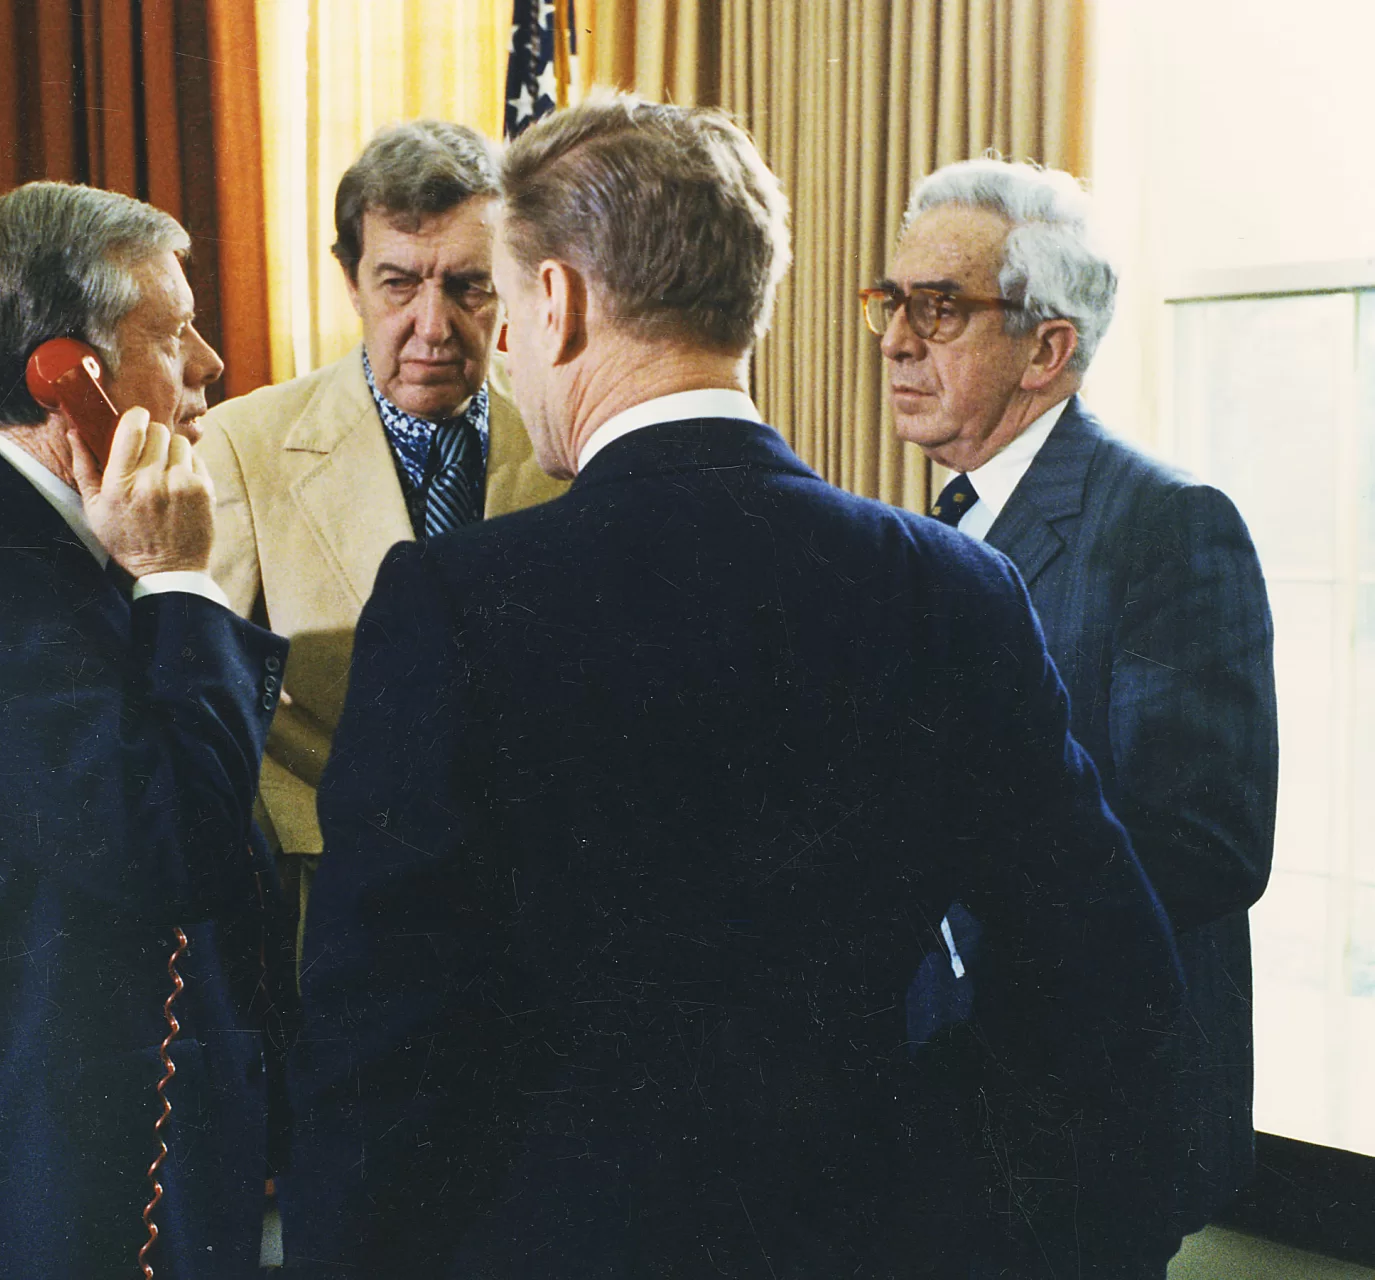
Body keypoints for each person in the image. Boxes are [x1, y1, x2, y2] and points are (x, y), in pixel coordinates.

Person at [283, 95, 1186, 1279]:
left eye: (501, 303)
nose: (496, 346)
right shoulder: (950, 588)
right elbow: (1108, 989)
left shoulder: (456, 604)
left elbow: (376, 1057)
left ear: (553, 304)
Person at [0, 181, 288, 1280]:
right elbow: (172, 842)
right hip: (65, 1165)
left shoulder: (58, 541)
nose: (210, 366)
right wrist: (179, 578)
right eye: (172, 332)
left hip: (145, 1123)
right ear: (63, 374)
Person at [872, 158, 1278, 1267]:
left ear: (1046, 348)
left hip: (1079, 1118)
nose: (896, 339)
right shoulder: (917, 528)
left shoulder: (1166, 525)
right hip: (937, 1109)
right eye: (891, 301)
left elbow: (1203, 841)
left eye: (939, 308)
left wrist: (928, 889)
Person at [196, 120, 564, 938]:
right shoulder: (243, 443)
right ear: (350, 279)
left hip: (525, 893)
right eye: (399, 283)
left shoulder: (567, 443)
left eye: (468, 286)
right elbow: (210, 694)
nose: (432, 326)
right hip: (326, 891)